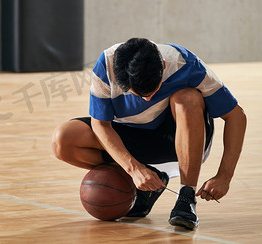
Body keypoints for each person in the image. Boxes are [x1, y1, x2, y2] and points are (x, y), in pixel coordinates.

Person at [51, 38, 247, 230]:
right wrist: (134, 169)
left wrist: (224, 176)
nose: (148, 98)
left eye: (153, 90)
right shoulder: (106, 66)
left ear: (162, 65)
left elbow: (236, 116)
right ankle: (146, 187)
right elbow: (101, 125)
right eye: (141, 95)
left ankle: (186, 198)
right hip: (130, 135)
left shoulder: (185, 63)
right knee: (63, 140)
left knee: (187, 97)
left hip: (174, 137)